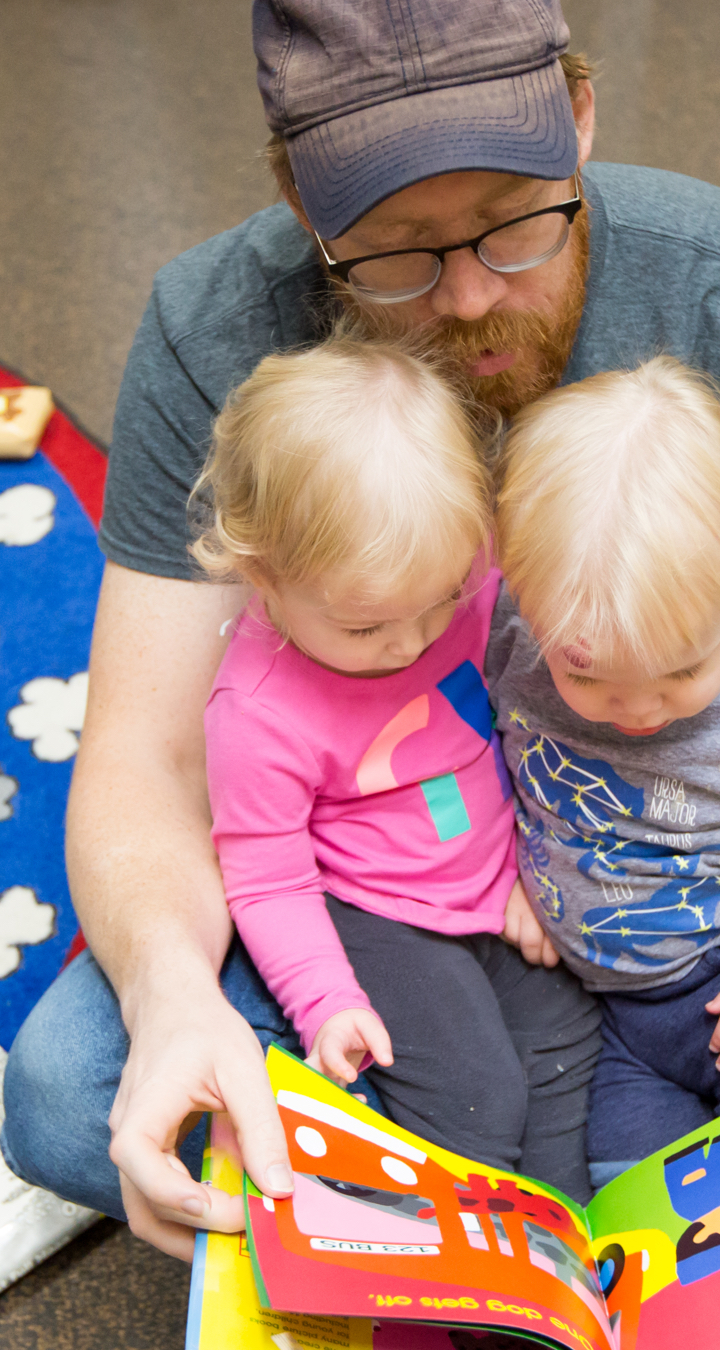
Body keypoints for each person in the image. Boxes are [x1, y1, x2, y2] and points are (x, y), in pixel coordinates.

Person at [3, 0, 720, 1259]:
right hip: (412, 893)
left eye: (514, 224)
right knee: (68, 1098)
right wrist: (175, 996)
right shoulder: (212, 326)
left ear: (583, 118)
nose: (465, 298)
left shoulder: (701, 274)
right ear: (299, 205)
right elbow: (144, 760)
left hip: (683, 870)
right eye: (389, 254)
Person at [194, 334, 591, 1193]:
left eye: (440, 601)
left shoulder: (460, 576)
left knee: (566, 1040)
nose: (411, 642)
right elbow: (267, 880)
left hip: (497, 877)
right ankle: (448, 1279)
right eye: (367, 628)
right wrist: (325, 1000)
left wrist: (542, 865)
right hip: (375, 910)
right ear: (262, 572)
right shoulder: (257, 713)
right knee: (475, 1095)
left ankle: (566, 1251)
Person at [487, 357, 720, 1191]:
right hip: (619, 1030)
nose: (638, 712)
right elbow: (454, 755)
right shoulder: (509, 635)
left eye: (681, 675)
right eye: (585, 678)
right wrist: (503, 868)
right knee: (637, 1212)